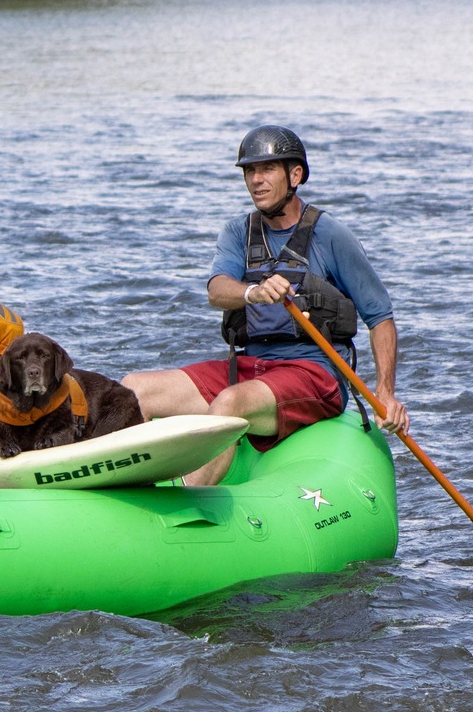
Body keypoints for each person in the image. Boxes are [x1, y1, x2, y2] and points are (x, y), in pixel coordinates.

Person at [122, 126, 408, 486]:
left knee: (229, 403)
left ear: (295, 175)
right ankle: (125, 498)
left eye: (267, 169)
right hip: (251, 366)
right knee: (133, 389)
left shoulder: (331, 235)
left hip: (314, 374)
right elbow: (216, 290)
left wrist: (385, 392)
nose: (256, 180)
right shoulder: (237, 232)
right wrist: (252, 292)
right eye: (249, 171)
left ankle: (179, 515)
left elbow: (380, 316)